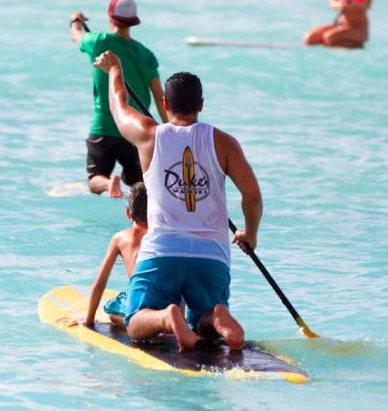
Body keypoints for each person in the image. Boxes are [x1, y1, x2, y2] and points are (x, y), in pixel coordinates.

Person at [93, 50, 263, 351]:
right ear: (200, 105)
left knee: (135, 323)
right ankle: (215, 317)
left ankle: (167, 318)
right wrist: (250, 234)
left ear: (165, 104)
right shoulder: (223, 142)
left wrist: (115, 69)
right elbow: (252, 194)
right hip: (211, 254)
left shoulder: (149, 135)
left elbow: (119, 105)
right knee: (203, 324)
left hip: (162, 249)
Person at [70, 0, 169, 197]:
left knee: (95, 178)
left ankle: (108, 184)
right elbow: (160, 97)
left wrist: (76, 20)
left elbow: (77, 36)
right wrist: (171, 130)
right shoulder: (146, 54)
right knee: (139, 184)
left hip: (105, 125)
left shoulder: (99, 41)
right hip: (137, 128)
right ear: (133, 21)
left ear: (110, 18)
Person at [77, 181, 149, 329]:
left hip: (140, 299)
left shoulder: (121, 238)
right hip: (168, 297)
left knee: (112, 311)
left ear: (128, 213)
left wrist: (88, 320)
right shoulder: (163, 236)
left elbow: (100, 282)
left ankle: (136, 323)